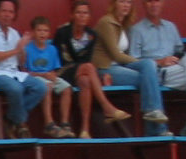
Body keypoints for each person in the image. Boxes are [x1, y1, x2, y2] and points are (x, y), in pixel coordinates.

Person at [129, 0, 186, 132]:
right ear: (144, 4)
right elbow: (133, 61)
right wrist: (160, 61)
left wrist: (177, 58)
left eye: (157, 1)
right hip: (158, 73)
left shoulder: (170, 27)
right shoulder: (136, 30)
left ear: (163, 3)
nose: (154, 4)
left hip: (177, 67)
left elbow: (180, 50)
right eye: (149, 1)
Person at [52, 0, 130, 139]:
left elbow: (88, 59)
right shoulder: (62, 32)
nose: (82, 16)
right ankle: (106, 107)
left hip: (82, 72)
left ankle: (85, 130)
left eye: (85, 13)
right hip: (62, 71)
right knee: (88, 68)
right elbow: (55, 55)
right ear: (72, 15)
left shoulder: (92, 35)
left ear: (89, 16)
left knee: (85, 81)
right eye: (79, 12)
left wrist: (101, 76)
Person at [92, 0, 168, 136]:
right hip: (106, 69)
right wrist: (139, 62)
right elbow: (116, 55)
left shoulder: (125, 25)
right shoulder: (106, 22)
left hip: (120, 67)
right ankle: (156, 127)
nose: (126, 5)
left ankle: (153, 115)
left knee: (149, 65)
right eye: (122, 1)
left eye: (129, 2)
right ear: (114, 4)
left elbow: (125, 55)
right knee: (148, 77)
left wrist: (144, 63)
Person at [0, 0, 47, 139]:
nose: (8, 15)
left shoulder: (14, 33)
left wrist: (22, 50)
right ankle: (21, 124)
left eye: (11, 12)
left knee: (40, 87)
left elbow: (20, 62)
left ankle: (12, 118)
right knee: (16, 89)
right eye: (4, 11)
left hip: (13, 72)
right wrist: (16, 50)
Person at [23, 16, 76, 138]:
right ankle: (49, 123)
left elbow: (54, 69)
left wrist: (53, 75)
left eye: (45, 31)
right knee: (46, 87)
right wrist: (43, 75)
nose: (42, 34)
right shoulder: (28, 49)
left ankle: (64, 123)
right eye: (39, 30)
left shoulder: (52, 49)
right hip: (34, 77)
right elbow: (25, 72)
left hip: (49, 76)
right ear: (33, 32)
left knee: (67, 88)